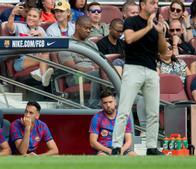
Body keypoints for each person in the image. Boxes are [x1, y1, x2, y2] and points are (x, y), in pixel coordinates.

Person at [111, 0, 167, 156]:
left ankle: (151, 147)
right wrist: (148, 27)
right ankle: (116, 146)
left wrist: (160, 33)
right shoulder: (131, 21)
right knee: (124, 110)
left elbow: (163, 52)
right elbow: (129, 39)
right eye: (152, 2)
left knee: (153, 112)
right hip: (133, 68)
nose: (155, 5)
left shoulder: (156, 25)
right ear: (142, 5)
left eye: (156, 3)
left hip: (151, 70)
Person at [58, 16, 100, 108]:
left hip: (92, 72)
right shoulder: (67, 43)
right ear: (77, 26)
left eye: (90, 28)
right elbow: (72, 66)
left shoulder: (92, 44)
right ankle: (94, 104)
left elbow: (98, 64)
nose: (88, 31)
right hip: (75, 75)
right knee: (97, 74)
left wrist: (95, 69)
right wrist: (90, 69)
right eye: (86, 28)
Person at [7, 7, 54, 87]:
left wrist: (40, 35)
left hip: (37, 58)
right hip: (21, 61)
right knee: (45, 57)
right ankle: (43, 77)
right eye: (29, 15)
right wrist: (12, 14)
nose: (31, 18)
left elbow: (47, 45)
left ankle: (39, 72)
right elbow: (10, 28)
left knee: (46, 53)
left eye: (34, 16)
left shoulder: (41, 30)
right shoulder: (19, 26)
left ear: (39, 20)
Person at [89, 90, 137, 156]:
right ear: (102, 104)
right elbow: (93, 142)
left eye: (110, 102)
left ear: (115, 102)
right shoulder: (97, 118)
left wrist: (122, 150)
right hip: (104, 150)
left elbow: (128, 140)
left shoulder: (123, 117)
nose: (108, 105)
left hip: (121, 148)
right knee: (101, 156)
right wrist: (109, 151)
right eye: (105, 103)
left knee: (133, 155)